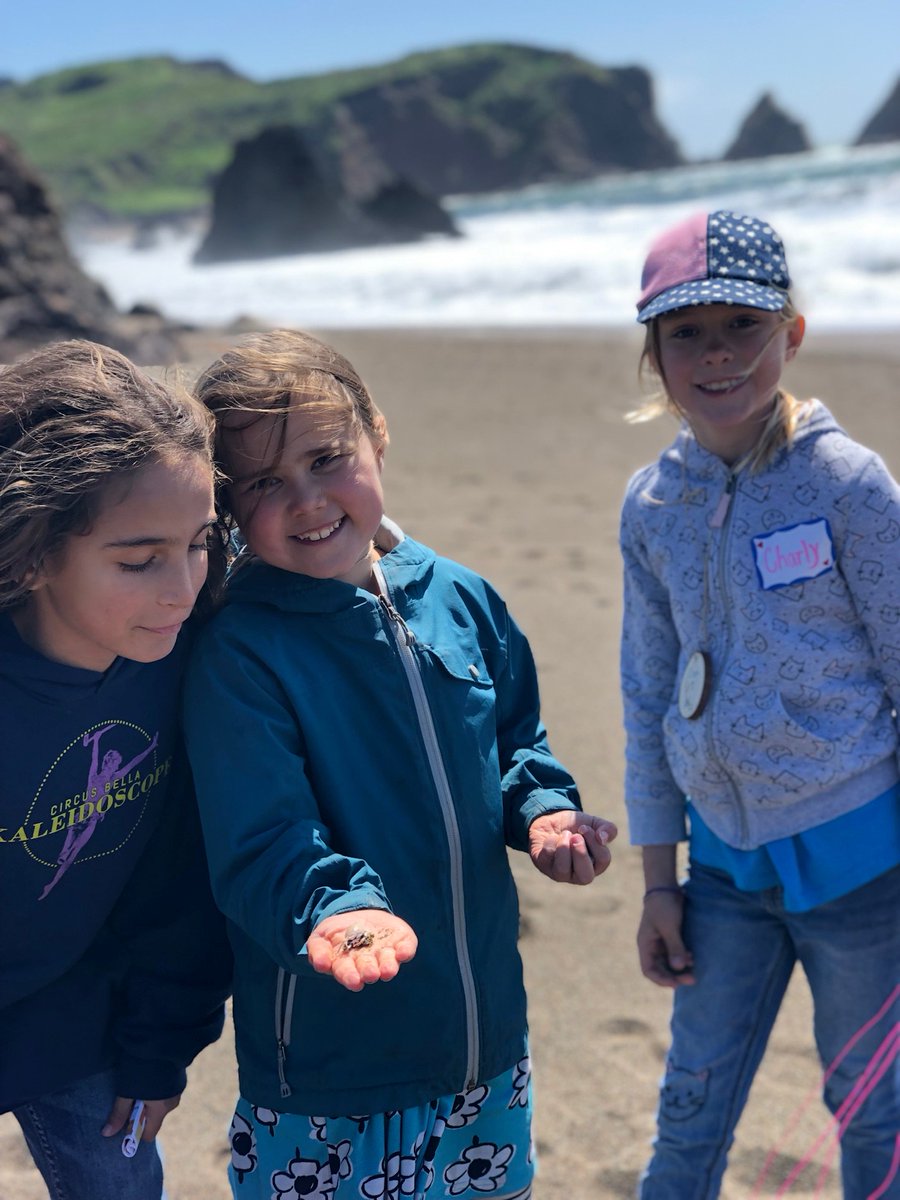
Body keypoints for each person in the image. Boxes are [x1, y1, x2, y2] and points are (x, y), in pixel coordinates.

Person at [182, 329, 618, 1200]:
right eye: (264, 483)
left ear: (376, 432)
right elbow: (262, 837)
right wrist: (340, 907)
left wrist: (540, 811)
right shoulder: (240, 650)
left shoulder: (458, 596)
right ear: (228, 509)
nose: (306, 500)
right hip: (329, 1073)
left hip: (483, 1049)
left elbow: (516, 740)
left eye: (324, 458)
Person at [619, 209, 900, 1199]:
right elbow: (648, 695)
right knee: (690, 1114)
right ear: (653, 356)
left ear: (792, 333)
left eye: (743, 324)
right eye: (685, 332)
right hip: (722, 877)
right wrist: (661, 882)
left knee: (876, 1113)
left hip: (867, 877)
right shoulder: (652, 506)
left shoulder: (851, 487)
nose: (717, 353)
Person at [0, 340, 233, 1200]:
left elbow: (182, 875)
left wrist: (160, 1043)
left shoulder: (189, 650)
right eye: (139, 561)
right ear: (30, 552)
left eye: (200, 543)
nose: (181, 587)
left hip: (74, 1013)